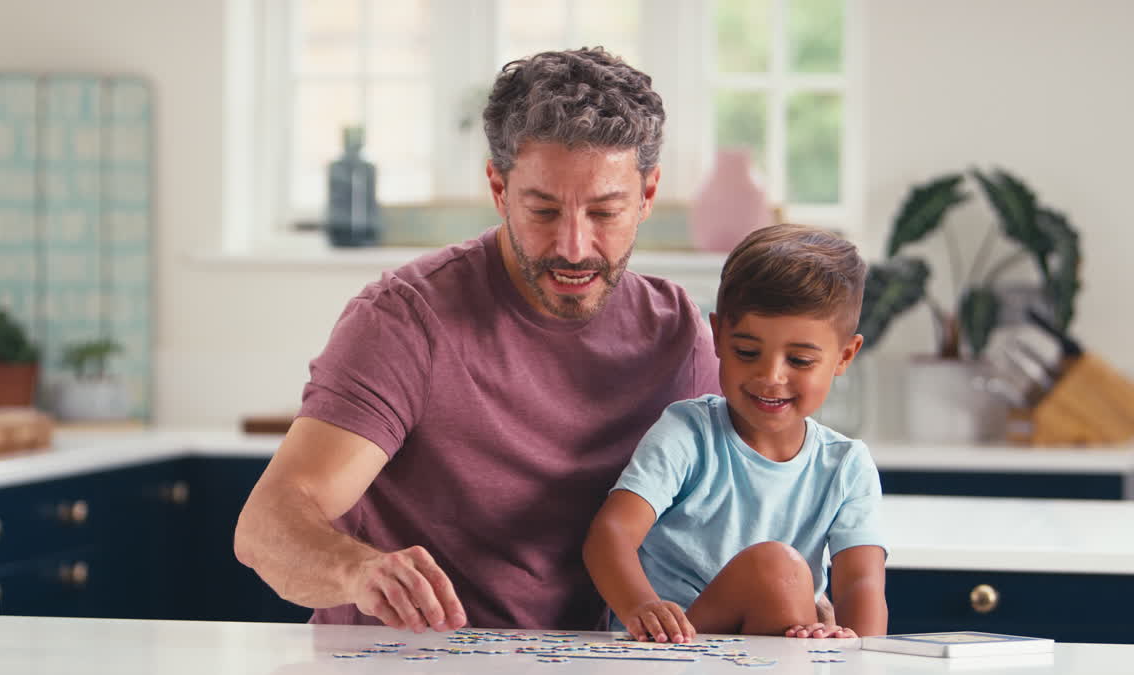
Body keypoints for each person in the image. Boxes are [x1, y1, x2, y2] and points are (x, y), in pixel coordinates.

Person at [234, 47, 721, 632]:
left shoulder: (677, 334)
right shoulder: (406, 320)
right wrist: (358, 573)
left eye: (604, 212)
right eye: (543, 211)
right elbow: (267, 526)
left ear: (646, 196)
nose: (573, 246)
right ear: (499, 187)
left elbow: (725, 518)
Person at [583, 224, 888, 643]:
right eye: (747, 352)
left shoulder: (846, 465)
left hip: (777, 665)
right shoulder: (688, 433)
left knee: (795, 593)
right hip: (672, 655)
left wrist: (858, 654)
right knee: (777, 570)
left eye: (799, 360)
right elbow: (609, 536)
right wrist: (641, 607)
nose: (770, 376)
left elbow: (861, 585)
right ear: (719, 337)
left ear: (844, 356)